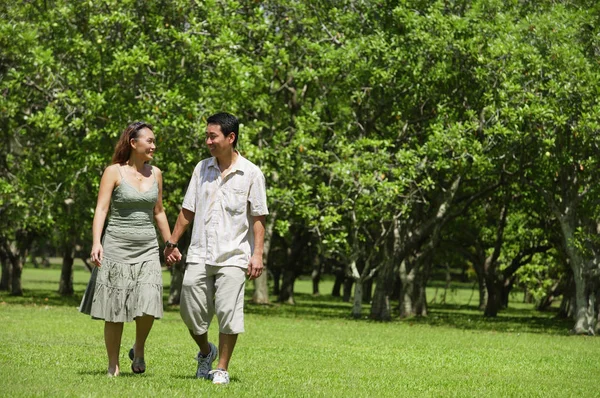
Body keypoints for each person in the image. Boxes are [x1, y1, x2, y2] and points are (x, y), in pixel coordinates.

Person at [164, 112, 268, 385]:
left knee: (228, 313)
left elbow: (258, 218)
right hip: (200, 252)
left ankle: (221, 367)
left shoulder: (252, 173)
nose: (208, 141)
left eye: (213, 136)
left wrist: (257, 254)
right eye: (207, 135)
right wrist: (172, 242)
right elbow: (188, 209)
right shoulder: (201, 168)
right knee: (189, 308)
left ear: (230, 138)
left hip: (234, 256)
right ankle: (205, 351)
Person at [79, 121, 172, 377]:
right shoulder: (113, 172)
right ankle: (113, 365)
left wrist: (170, 243)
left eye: (154, 141)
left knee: (149, 302)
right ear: (133, 143)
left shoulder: (156, 173)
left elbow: (160, 212)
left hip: (147, 247)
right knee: (114, 308)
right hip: (116, 245)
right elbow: (101, 209)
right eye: (149, 141)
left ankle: (138, 348)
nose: (154, 145)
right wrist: (96, 242)